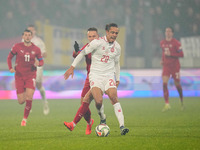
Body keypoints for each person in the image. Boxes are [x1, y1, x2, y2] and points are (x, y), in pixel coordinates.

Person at [64, 23, 129, 135]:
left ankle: (122, 126)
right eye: (112, 32)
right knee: (98, 102)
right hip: (95, 76)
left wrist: (117, 78)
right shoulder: (96, 43)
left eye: (116, 33)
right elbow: (82, 53)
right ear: (107, 32)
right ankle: (101, 118)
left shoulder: (117, 47)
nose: (114, 35)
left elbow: (117, 63)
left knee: (113, 97)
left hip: (108, 76)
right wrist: (72, 66)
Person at [72, 27, 106, 135]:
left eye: (94, 36)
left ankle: (102, 118)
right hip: (89, 77)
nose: (92, 38)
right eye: (90, 37)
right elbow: (77, 55)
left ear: (98, 36)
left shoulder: (103, 46)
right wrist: (76, 51)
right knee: (83, 102)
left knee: (96, 101)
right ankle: (89, 122)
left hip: (100, 77)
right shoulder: (87, 46)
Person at [7, 29, 44, 126]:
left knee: (29, 96)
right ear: (23, 37)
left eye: (29, 35)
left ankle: (24, 119)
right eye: (25, 35)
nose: (27, 37)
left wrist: (38, 63)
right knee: (21, 101)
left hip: (30, 76)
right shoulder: (17, 46)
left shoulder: (36, 49)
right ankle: (26, 99)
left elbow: (41, 61)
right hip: (19, 76)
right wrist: (10, 68)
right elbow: (9, 57)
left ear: (31, 37)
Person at [27, 25, 49, 115]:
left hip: (37, 66)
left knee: (38, 85)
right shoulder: (24, 40)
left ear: (35, 31)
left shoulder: (39, 41)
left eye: (32, 30)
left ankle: (45, 103)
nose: (30, 32)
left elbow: (45, 53)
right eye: (29, 30)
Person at [160, 27, 184, 112]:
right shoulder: (162, 42)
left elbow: (181, 54)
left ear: (172, 33)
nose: (168, 33)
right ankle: (167, 104)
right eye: (166, 31)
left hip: (175, 66)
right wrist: (162, 60)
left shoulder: (176, 43)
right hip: (166, 66)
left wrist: (171, 54)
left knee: (177, 84)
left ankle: (181, 101)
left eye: (169, 31)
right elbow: (164, 52)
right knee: (164, 83)